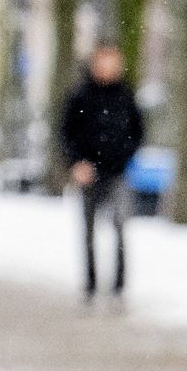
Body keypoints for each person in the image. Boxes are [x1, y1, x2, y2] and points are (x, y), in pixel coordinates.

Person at [59, 42, 145, 304]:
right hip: (88, 172)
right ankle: (90, 284)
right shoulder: (80, 95)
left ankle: (119, 285)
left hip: (117, 172)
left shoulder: (125, 96)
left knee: (120, 225)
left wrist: (126, 156)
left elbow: (137, 131)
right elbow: (66, 133)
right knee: (88, 230)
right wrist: (76, 163)